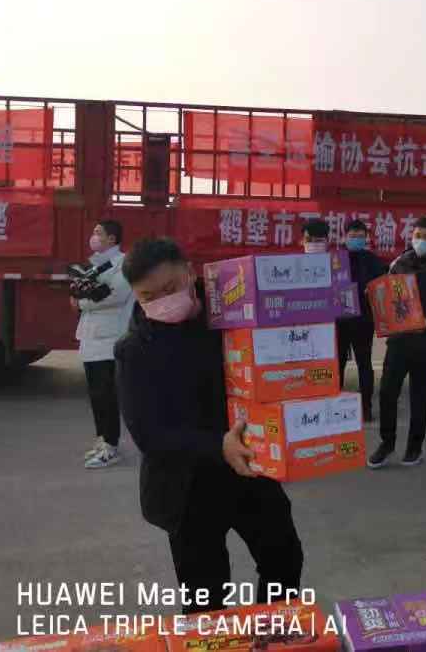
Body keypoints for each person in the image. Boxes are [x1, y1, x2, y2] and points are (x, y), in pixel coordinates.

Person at [115, 238, 303, 613]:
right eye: (148, 296)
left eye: (170, 288)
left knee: (284, 560)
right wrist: (219, 445)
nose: (162, 301)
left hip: (250, 470)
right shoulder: (135, 349)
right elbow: (150, 435)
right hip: (187, 486)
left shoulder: (232, 317)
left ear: (189, 272)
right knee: (205, 593)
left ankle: (272, 632)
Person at [367, 216, 426, 469]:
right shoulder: (399, 263)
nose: (421, 241)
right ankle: (387, 443)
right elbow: (385, 294)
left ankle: (414, 446)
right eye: (418, 236)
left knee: (419, 395)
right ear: (411, 237)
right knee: (387, 392)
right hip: (399, 341)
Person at [73, 219, 135, 470]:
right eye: (94, 232)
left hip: (110, 339)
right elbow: (84, 290)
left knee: (107, 395)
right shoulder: (94, 264)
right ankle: (103, 441)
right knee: (96, 396)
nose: (94, 236)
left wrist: (81, 302)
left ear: (112, 238)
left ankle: (111, 446)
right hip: (91, 337)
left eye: (98, 233)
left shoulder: (123, 263)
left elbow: (116, 296)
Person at [337, 219, 388, 422]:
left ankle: (366, 407)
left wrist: (373, 289)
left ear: (366, 238)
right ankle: (336, 405)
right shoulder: (335, 259)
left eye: (360, 236)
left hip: (363, 321)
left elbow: (383, 285)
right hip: (339, 321)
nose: (356, 240)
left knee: (364, 363)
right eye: (352, 236)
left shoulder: (373, 261)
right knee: (338, 363)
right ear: (345, 237)